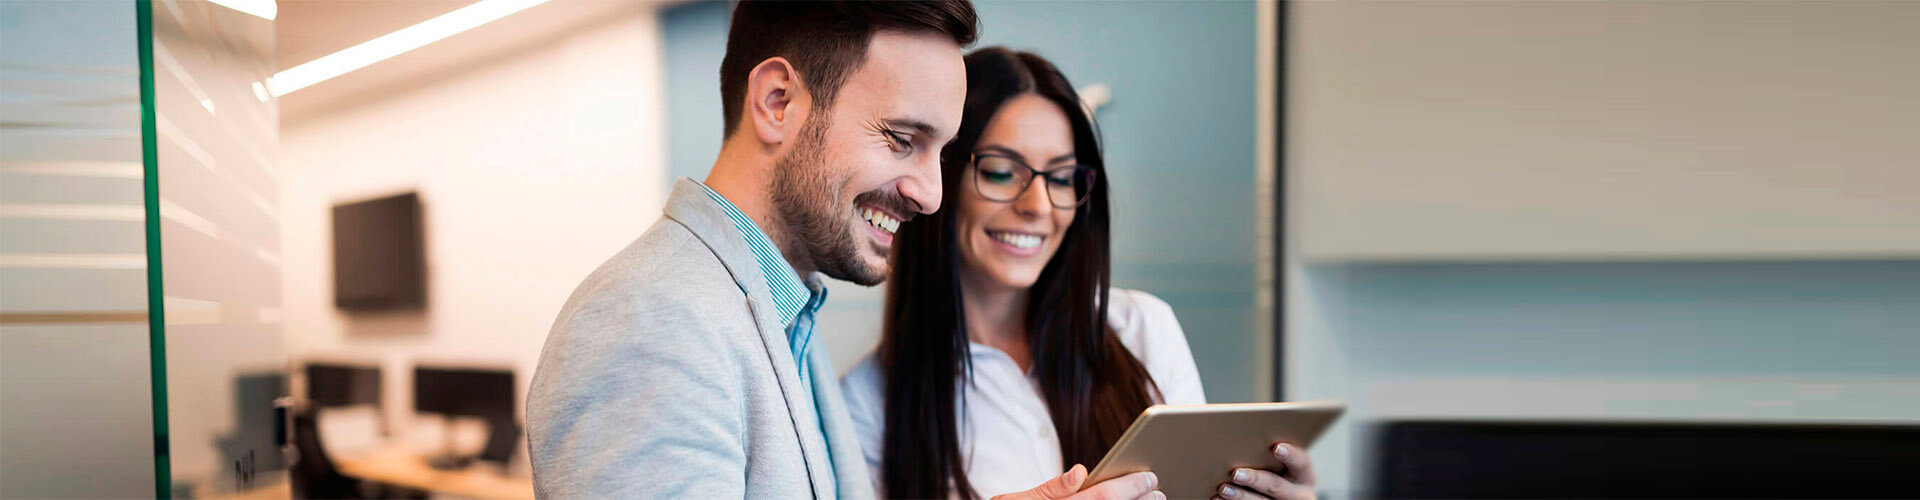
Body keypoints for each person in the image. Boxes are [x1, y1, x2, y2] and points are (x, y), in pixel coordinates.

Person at [525, 1, 978, 498]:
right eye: (901, 138)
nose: (932, 195)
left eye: (942, 151)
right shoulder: (648, 322)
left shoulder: (782, 308)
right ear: (777, 102)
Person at [840, 48, 1319, 500]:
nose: (1038, 206)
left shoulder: (1142, 328)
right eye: (1003, 172)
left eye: (1062, 177)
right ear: (939, 177)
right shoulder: (868, 400)